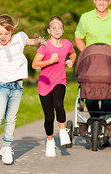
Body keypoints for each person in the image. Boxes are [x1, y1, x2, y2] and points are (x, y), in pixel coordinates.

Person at [0, 14, 46, 165]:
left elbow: (31, 41)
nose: (3, 37)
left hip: (17, 86)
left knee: (11, 118)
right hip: (1, 85)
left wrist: (39, 41)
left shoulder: (19, 38)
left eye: (6, 34)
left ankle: (7, 148)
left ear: (12, 31)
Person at [74, 0, 111, 119]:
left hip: (109, 64)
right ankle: (96, 122)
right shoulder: (86, 17)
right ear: (94, 1)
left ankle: (104, 125)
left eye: (104, 0)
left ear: (109, 2)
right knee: (90, 97)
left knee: (107, 97)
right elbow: (78, 37)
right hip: (90, 64)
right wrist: (86, 53)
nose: (101, 3)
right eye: (99, 0)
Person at [32, 16, 77, 157]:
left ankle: (63, 132)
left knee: (58, 104)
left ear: (63, 30)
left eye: (60, 28)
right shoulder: (45, 46)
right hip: (44, 84)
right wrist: (50, 61)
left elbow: (73, 53)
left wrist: (71, 61)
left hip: (59, 81)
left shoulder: (67, 43)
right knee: (49, 117)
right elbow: (35, 64)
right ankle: (50, 142)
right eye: (54, 28)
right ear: (48, 30)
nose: (57, 30)